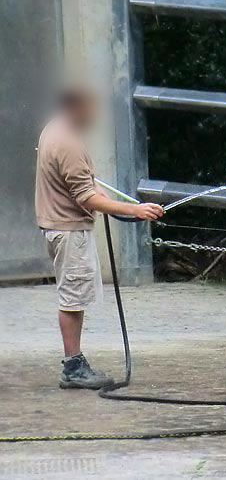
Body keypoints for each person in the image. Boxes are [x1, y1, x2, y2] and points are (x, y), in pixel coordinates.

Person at [35, 86, 165, 389]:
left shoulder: (53, 129)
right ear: (78, 107)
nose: (95, 116)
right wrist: (135, 209)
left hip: (58, 226)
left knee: (73, 297)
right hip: (69, 230)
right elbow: (85, 196)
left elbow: (82, 184)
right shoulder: (68, 142)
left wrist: (100, 194)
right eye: (92, 109)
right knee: (72, 299)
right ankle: (73, 366)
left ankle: (74, 362)